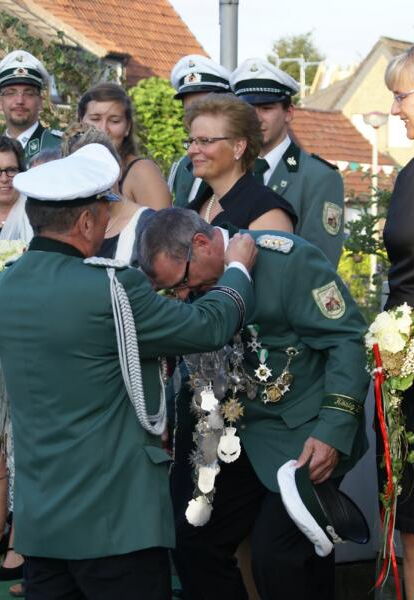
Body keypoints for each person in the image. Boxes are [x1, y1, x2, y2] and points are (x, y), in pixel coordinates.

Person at [0, 142, 257, 600]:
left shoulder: (8, 284)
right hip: (115, 524)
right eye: (105, 212)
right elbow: (209, 326)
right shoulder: (112, 288)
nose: (108, 222)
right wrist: (237, 267)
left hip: (41, 524)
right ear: (85, 222)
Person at [139, 207, 370, 600]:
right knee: (192, 538)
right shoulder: (197, 285)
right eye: (170, 290)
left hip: (303, 434)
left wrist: (332, 432)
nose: (182, 295)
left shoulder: (288, 261)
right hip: (243, 434)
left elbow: (348, 342)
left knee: (277, 557)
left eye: (181, 282)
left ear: (201, 243)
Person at [230, 58, 345, 267]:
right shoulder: (229, 169)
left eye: (266, 108)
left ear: (289, 113)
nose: (256, 118)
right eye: (248, 109)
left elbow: (319, 263)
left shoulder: (319, 177)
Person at [382, 45, 414, 600]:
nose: (394, 109)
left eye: (401, 96)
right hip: (404, 362)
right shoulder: (408, 175)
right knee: (408, 511)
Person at [182, 93, 296, 232]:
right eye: (191, 141)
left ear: (238, 147)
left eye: (205, 141)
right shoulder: (194, 208)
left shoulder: (267, 214)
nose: (192, 150)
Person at [61, 123, 152, 265]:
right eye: (84, 171)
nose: (96, 178)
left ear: (119, 168)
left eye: (102, 166)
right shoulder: (62, 227)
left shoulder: (147, 225)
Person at [78, 82, 171, 210]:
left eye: (114, 121)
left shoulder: (142, 172)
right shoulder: (69, 168)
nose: (103, 129)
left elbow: (164, 222)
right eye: (95, 119)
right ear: (80, 123)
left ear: (127, 128)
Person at [168, 55, 231, 206]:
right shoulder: (184, 166)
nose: (196, 120)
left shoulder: (242, 165)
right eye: (190, 112)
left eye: (204, 111)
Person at [0, 50, 62, 165]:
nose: (19, 101)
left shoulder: (61, 148)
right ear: (0, 102)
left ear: (40, 102)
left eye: (29, 93)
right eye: (10, 93)